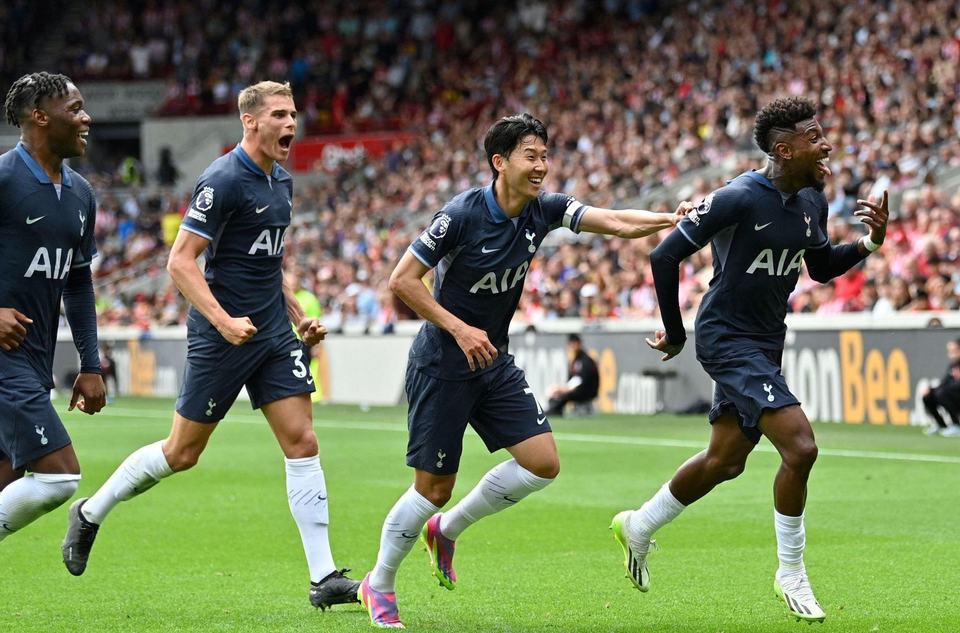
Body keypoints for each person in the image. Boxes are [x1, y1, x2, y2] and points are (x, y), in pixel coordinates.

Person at [358, 113, 689, 628]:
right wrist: (460, 329)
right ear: (500, 161)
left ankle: (446, 531)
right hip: (443, 365)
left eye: (545, 155)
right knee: (431, 488)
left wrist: (671, 219)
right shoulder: (460, 215)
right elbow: (402, 281)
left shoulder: (545, 210)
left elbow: (618, 223)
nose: (542, 166)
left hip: (493, 362)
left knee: (542, 463)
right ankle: (378, 583)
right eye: (531, 156)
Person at [61, 81, 361, 611]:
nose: (291, 124)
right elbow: (179, 261)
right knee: (183, 453)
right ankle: (90, 513)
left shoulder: (282, 182)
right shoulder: (222, 178)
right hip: (222, 336)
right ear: (251, 121)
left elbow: (269, 264)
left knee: (303, 442)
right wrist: (222, 321)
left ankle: (323, 578)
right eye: (279, 115)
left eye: (293, 114)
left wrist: (298, 318)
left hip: (270, 334)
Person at [610, 96, 890, 624]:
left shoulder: (812, 198)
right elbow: (663, 255)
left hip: (766, 342)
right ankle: (791, 570)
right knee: (801, 447)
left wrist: (870, 243)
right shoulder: (737, 197)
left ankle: (639, 526)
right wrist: (675, 332)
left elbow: (822, 267)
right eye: (813, 137)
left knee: (725, 461)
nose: (825, 143)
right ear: (783, 150)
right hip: (725, 337)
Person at [0, 72, 106, 543]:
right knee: (59, 476)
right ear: (39, 116)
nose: (86, 117)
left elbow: (78, 284)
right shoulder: (4, 179)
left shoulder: (81, 194)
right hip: (4, 363)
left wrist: (91, 364)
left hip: (34, 360)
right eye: (74, 108)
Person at [545, 334, 599, 416]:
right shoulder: (575, 360)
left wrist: (565, 389)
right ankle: (553, 409)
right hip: (577, 389)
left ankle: (554, 411)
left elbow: (582, 380)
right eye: (571, 344)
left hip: (586, 390)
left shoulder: (586, 360)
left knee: (565, 395)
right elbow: (572, 379)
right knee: (556, 394)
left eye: (575, 343)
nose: (573, 346)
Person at [921, 338, 960, 437]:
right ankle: (941, 424)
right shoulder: (953, 366)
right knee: (929, 395)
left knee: (944, 393)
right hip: (952, 393)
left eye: (955, 350)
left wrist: (944, 390)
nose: (952, 354)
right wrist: (932, 390)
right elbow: (945, 382)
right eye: (950, 351)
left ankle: (957, 424)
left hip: (956, 395)